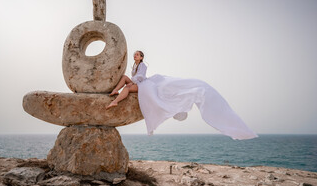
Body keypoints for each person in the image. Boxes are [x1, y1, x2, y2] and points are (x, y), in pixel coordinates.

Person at [106, 50, 258, 140]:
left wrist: (133, 82)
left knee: (126, 86)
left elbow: (141, 77)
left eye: (137, 55)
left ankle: (116, 100)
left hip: (143, 84)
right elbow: (133, 77)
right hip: (137, 83)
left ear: (142, 57)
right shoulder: (135, 65)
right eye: (134, 55)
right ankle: (115, 91)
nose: (135, 56)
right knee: (125, 78)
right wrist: (132, 81)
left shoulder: (143, 65)